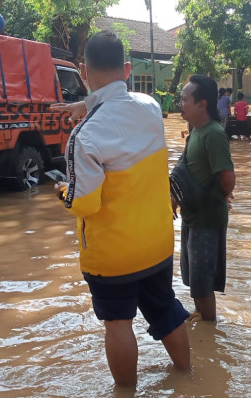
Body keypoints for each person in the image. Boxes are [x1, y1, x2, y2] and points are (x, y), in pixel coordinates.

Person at [51, 31, 190, 387]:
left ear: (83, 72)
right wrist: (88, 104)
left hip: (113, 255)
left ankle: (125, 393)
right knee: (165, 308)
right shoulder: (151, 107)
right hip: (157, 243)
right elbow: (118, 105)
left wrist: (63, 191)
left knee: (118, 323)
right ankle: (188, 378)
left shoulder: (84, 137)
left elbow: (85, 203)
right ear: (127, 68)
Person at [174, 74, 235, 322]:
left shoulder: (213, 133)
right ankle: (202, 324)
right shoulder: (197, 132)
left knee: (202, 283)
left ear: (202, 104)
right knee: (194, 279)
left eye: (185, 99)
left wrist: (218, 196)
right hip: (193, 216)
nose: (181, 104)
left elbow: (228, 178)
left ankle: (209, 330)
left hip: (207, 219)